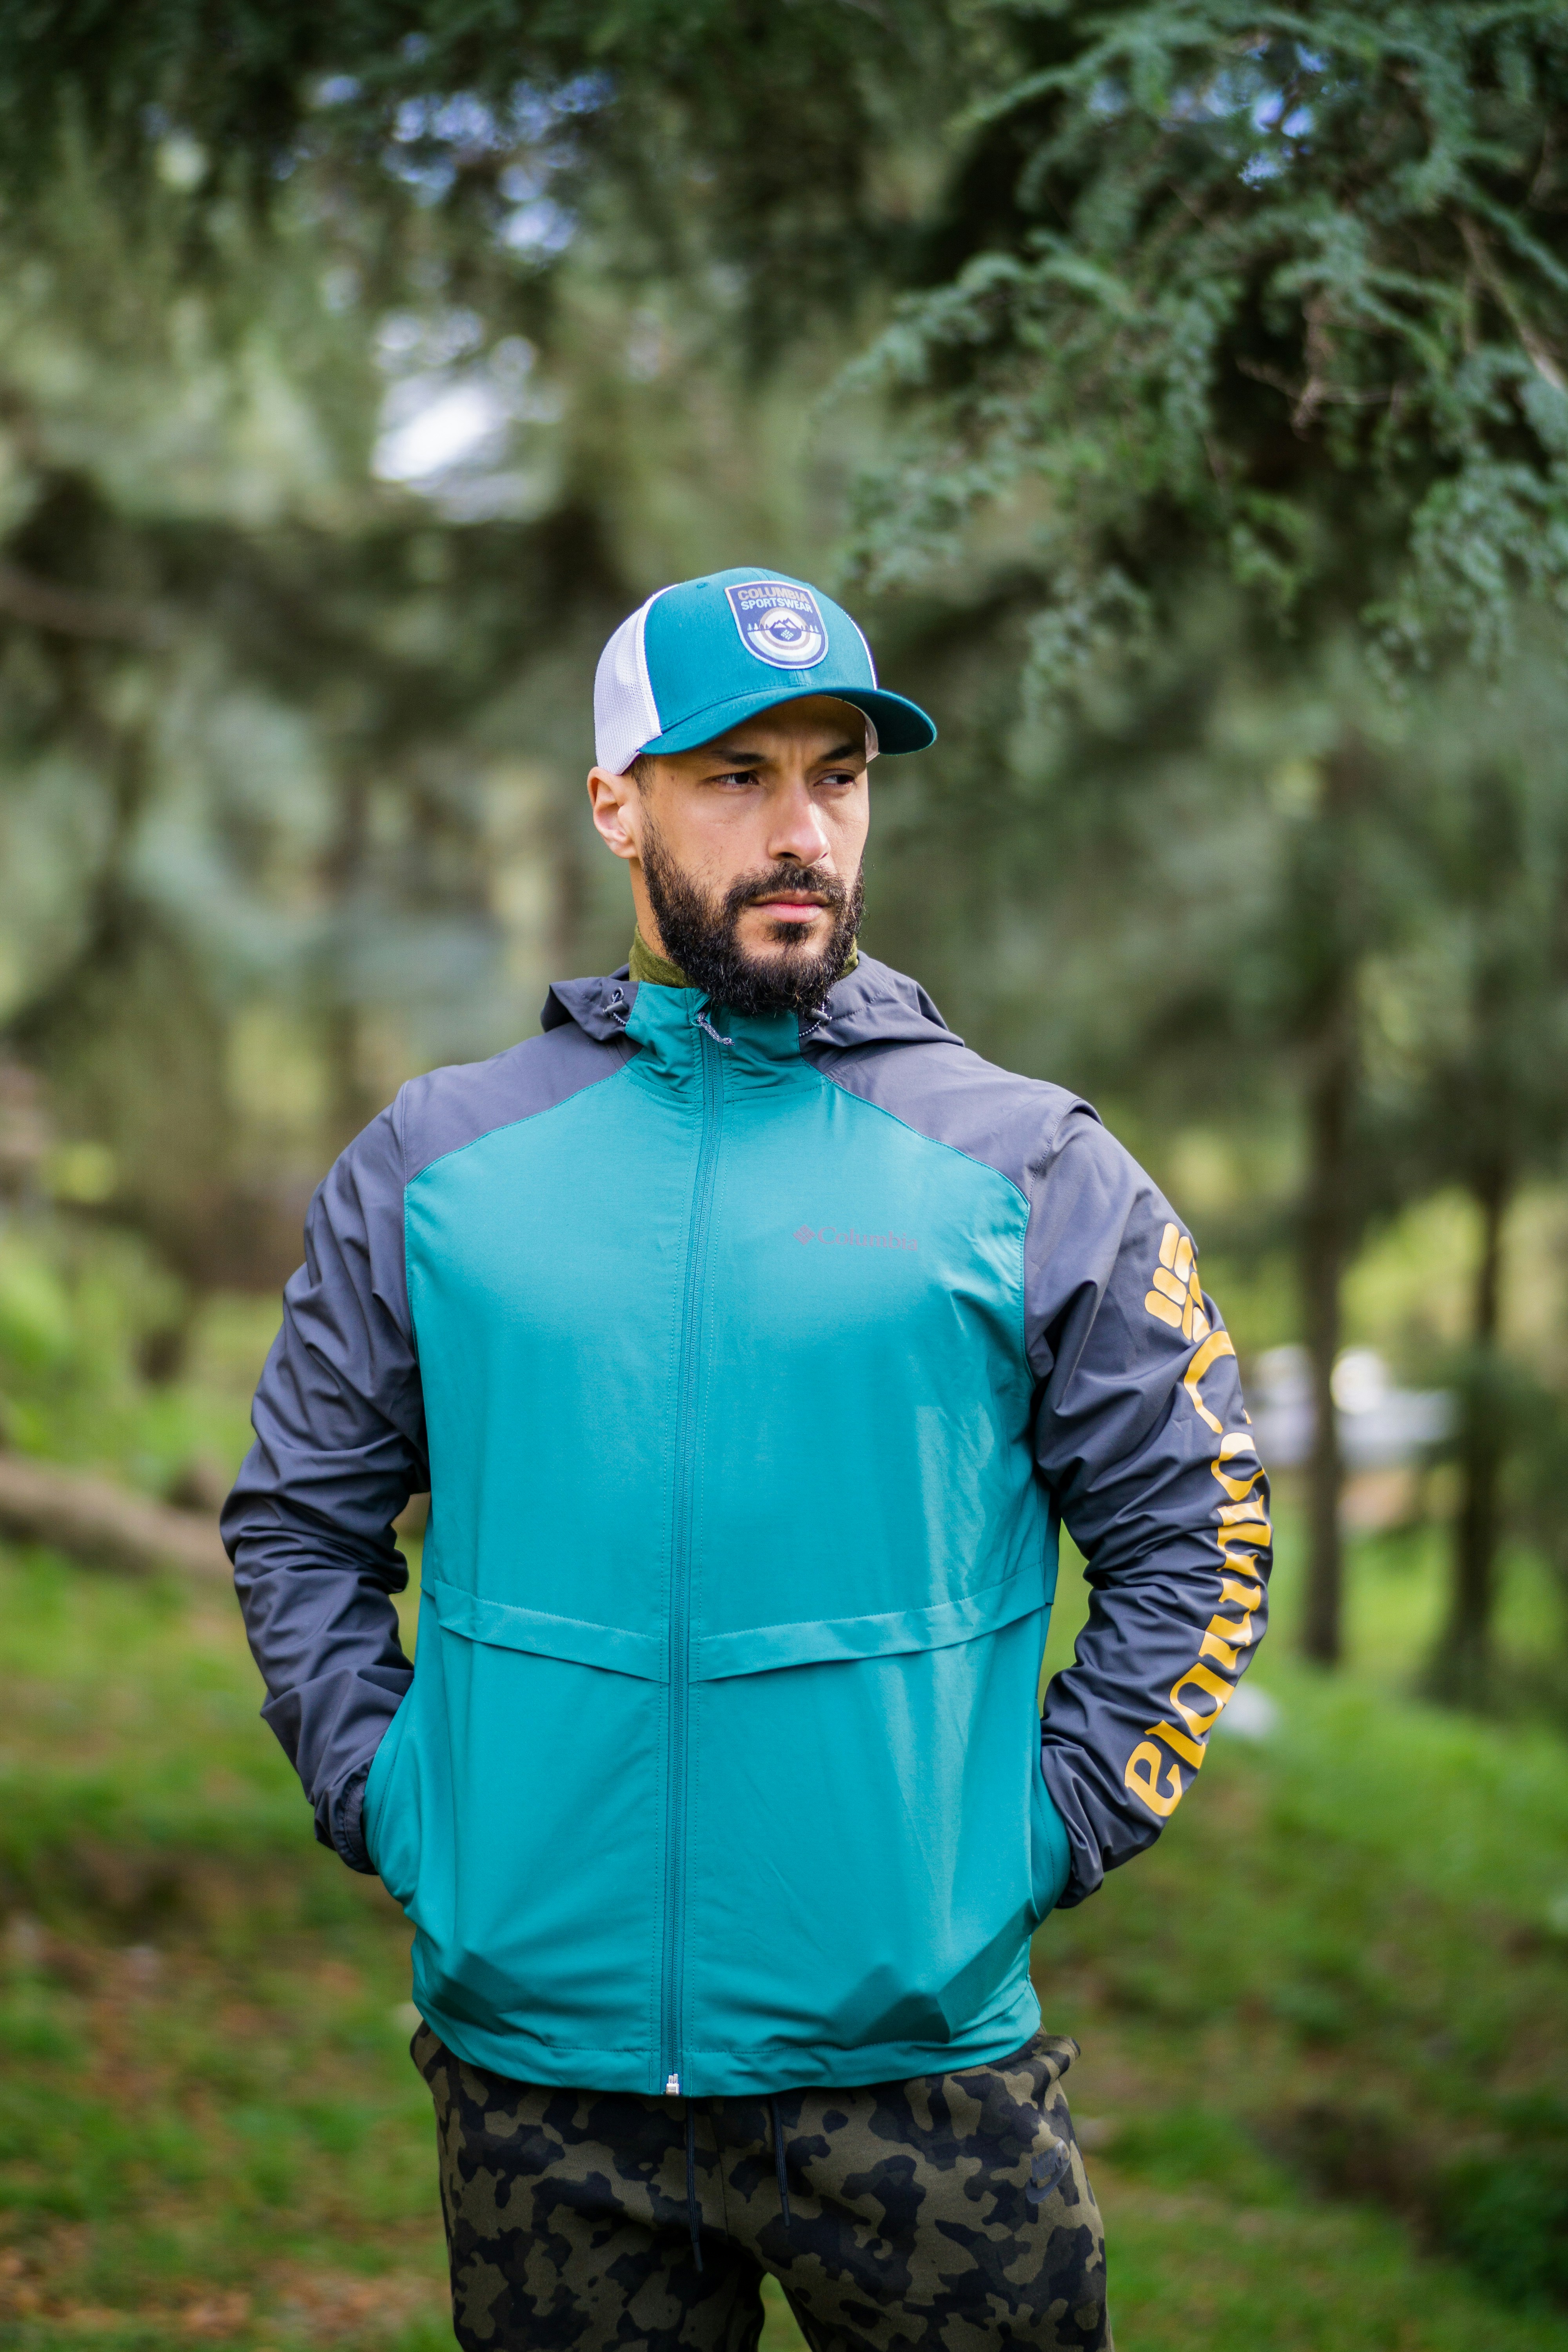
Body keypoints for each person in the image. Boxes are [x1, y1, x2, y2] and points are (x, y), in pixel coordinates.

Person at [224, 567, 1271, 2352]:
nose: (802, 831)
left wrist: (1034, 1835)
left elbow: (1204, 1532)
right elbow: (300, 1526)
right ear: (615, 803)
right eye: (736, 776)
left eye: (839, 775)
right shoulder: (440, 1161)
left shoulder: (1031, 1166)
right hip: (544, 2092)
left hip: (922, 2086)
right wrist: (400, 1800)